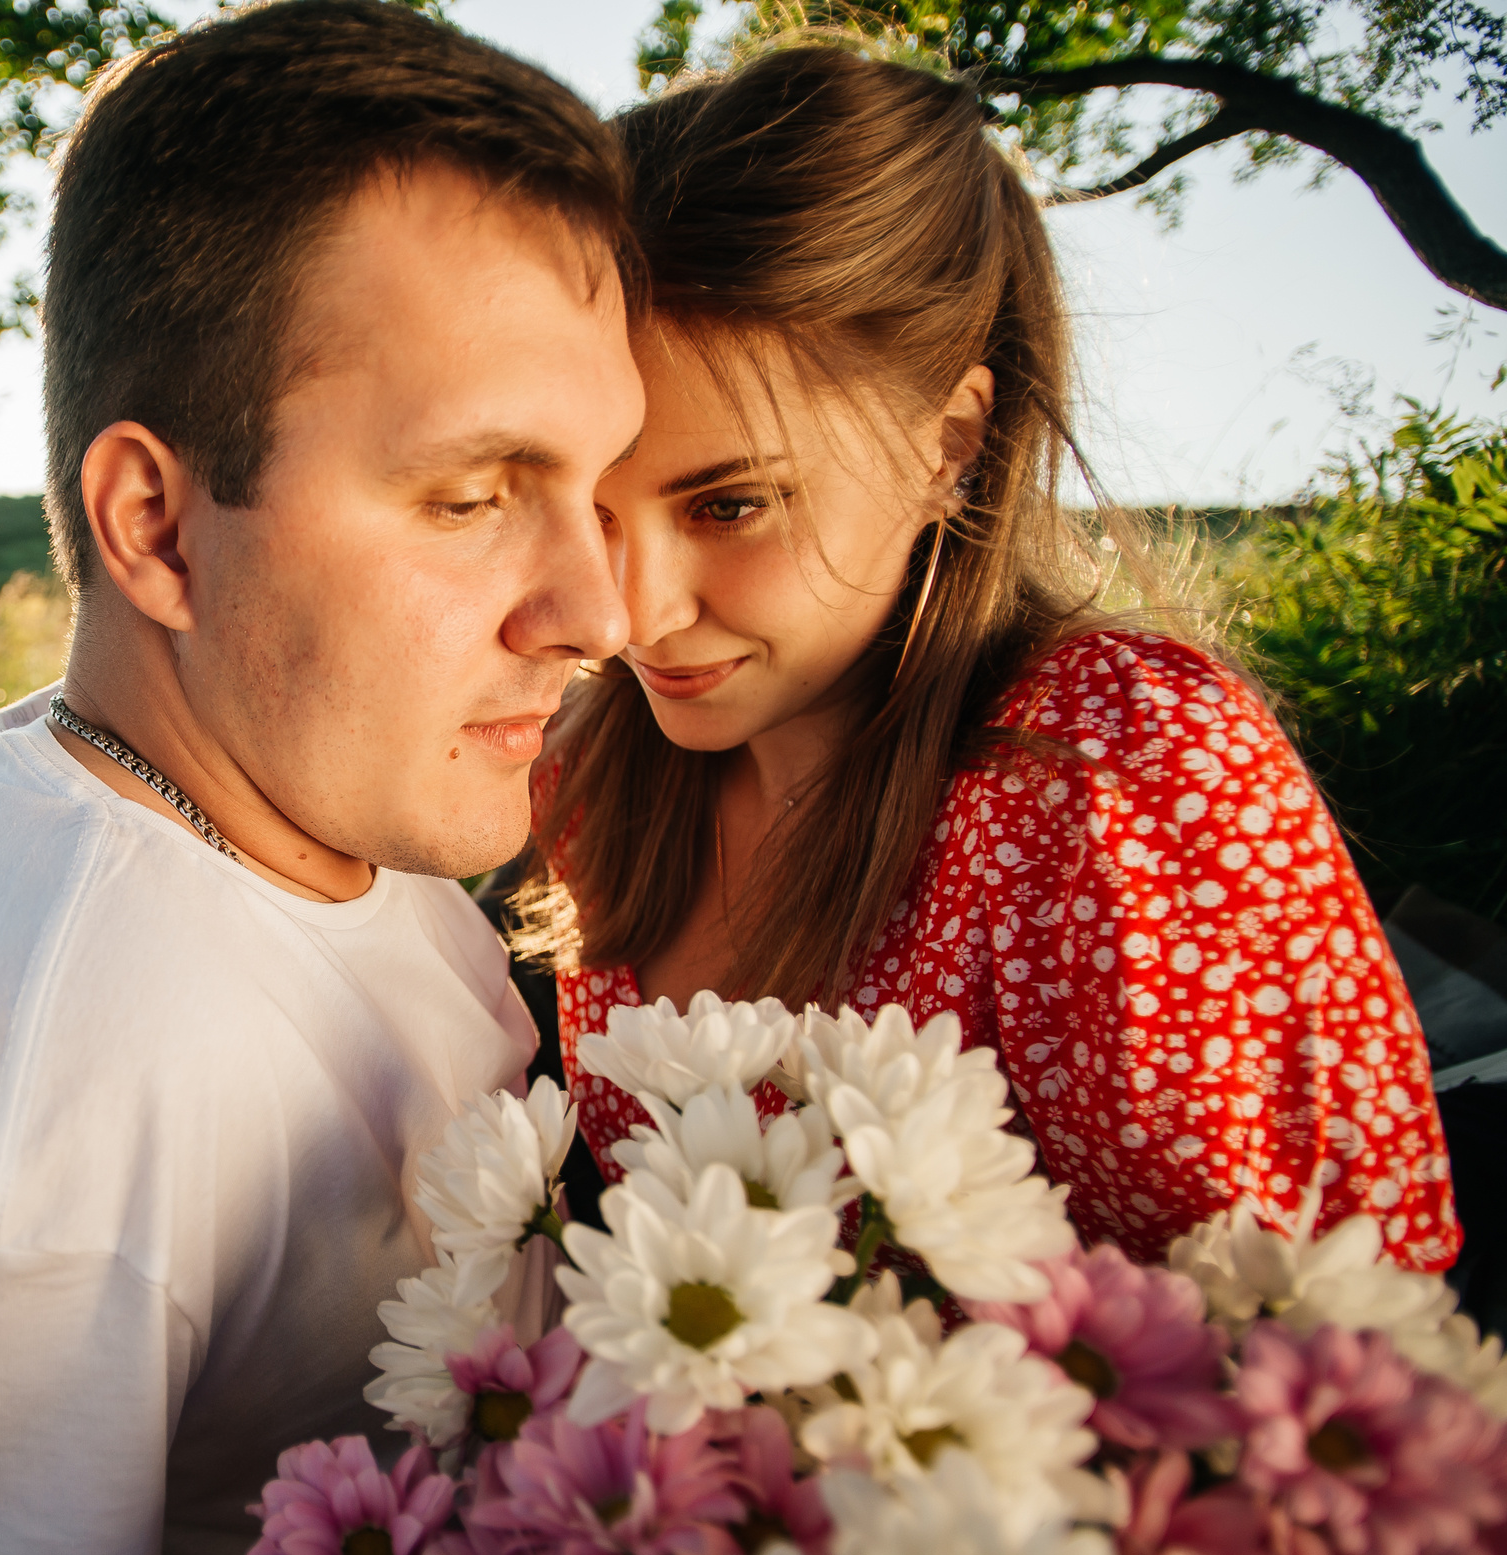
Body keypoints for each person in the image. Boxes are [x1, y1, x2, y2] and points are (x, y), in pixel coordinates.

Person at [0, 4, 644, 1555]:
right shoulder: (3, 1168)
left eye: (599, 487)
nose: (601, 608)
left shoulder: (309, 776)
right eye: (468, 496)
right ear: (157, 526)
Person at [520, 45, 1460, 1273]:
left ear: (948, 440)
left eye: (731, 505)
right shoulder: (594, 783)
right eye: (586, 504)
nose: (623, 612)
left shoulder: (1110, 776)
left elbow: (1316, 1369)